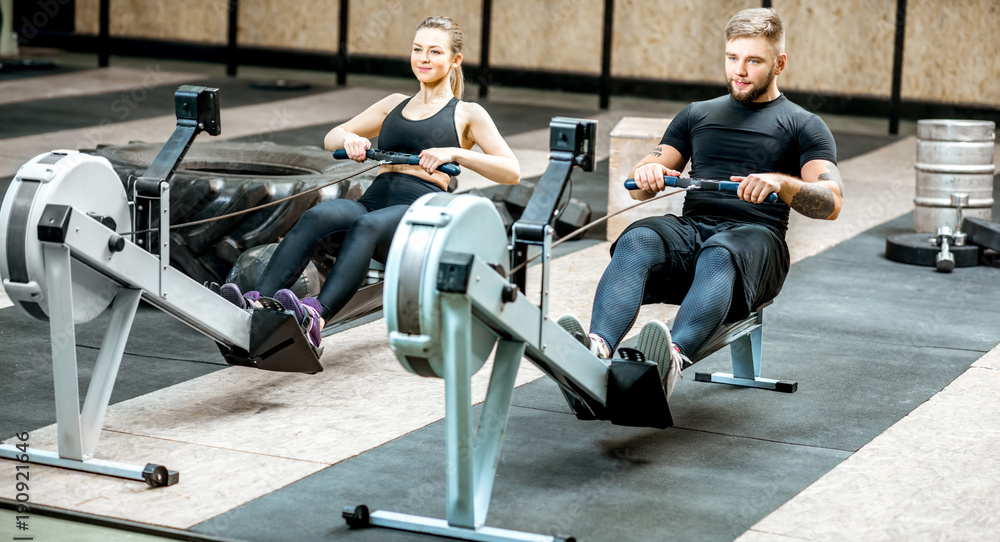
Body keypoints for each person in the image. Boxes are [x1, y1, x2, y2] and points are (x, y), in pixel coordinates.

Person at [559, 7, 843, 398]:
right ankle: (595, 349)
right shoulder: (697, 114)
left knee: (721, 251)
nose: (739, 71)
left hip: (757, 242)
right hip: (694, 231)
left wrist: (780, 183)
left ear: (780, 64)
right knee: (639, 235)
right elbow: (640, 185)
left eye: (753, 61)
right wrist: (647, 174)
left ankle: (668, 361)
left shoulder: (803, 125)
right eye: (732, 58)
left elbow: (831, 202)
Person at [220, 15, 520, 347]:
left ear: (454, 61)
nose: (423, 58)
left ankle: (314, 316)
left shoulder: (467, 113)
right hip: (374, 201)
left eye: (435, 52)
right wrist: (350, 139)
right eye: (418, 49)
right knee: (318, 215)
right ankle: (257, 302)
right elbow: (331, 137)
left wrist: (456, 153)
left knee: (366, 226)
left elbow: (511, 170)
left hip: (418, 212)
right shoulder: (394, 104)